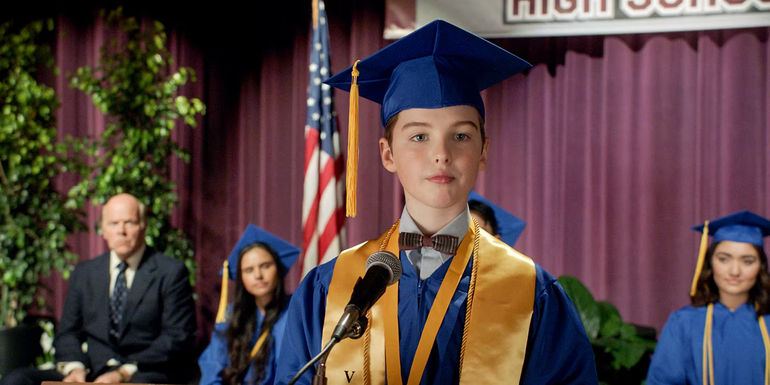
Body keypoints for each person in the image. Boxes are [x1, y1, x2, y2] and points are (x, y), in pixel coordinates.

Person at [275, 20, 597, 385]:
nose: (441, 154)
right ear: (387, 153)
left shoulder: (531, 293)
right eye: (419, 136)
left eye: (460, 135)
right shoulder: (329, 287)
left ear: (483, 151)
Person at [0, 193, 197, 385]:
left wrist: (123, 373)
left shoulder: (170, 272)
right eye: (113, 223)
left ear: (143, 226)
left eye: (129, 222)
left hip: (143, 371)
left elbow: (176, 337)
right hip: (91, 370)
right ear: (103, 229)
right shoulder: (85, 272)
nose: (121, 230)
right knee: (16, 380)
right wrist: (75, 368)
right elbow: (68, 333)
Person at [646, 210, 770, 384]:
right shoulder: (684, 324)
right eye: (724, 259)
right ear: (710, 263)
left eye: (747, 261)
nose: (735, 271)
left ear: (761, 267)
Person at [198, 224, 299, 385]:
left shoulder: (295, 312)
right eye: (249, 270)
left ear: (278, 269)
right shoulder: (231, 317)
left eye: (265, 266)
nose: (258, 275)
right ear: (241, 278)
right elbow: (213, 368)